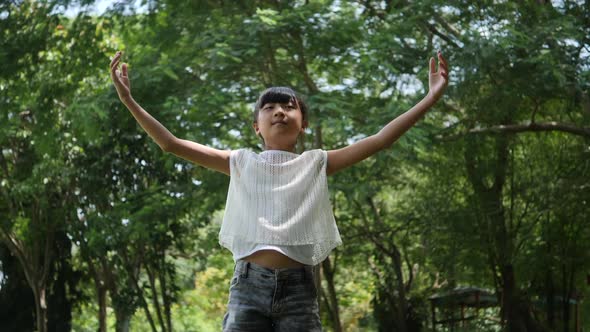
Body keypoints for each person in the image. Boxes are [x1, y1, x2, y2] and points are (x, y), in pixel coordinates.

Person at [110, 50, 448, 331]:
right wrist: (129, 101)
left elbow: (380, 140)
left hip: (300, 290)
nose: (279, 112)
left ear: (304, 123)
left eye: (289, 106)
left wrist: (429, 98)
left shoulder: (316, 162)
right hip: (247, 286)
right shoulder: (239, 161)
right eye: (269, 107)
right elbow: (170, 144)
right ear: (257, 126)